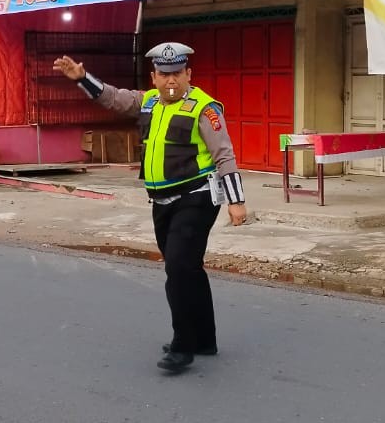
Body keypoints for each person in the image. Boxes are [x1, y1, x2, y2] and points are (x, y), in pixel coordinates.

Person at [53, 42, 247, 373]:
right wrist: (82, 77)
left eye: (177, 74)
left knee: (178, 270)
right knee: (189, 269)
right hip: (161, 201)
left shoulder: (204, 108)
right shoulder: (149, 102)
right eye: (164, 74)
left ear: (189, 74)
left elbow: (224, 155)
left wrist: (237, 202)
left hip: (195, 197)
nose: (170, 81)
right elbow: (113, 98)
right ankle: (205, 339)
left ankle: (182, 345)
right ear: (154, 77)